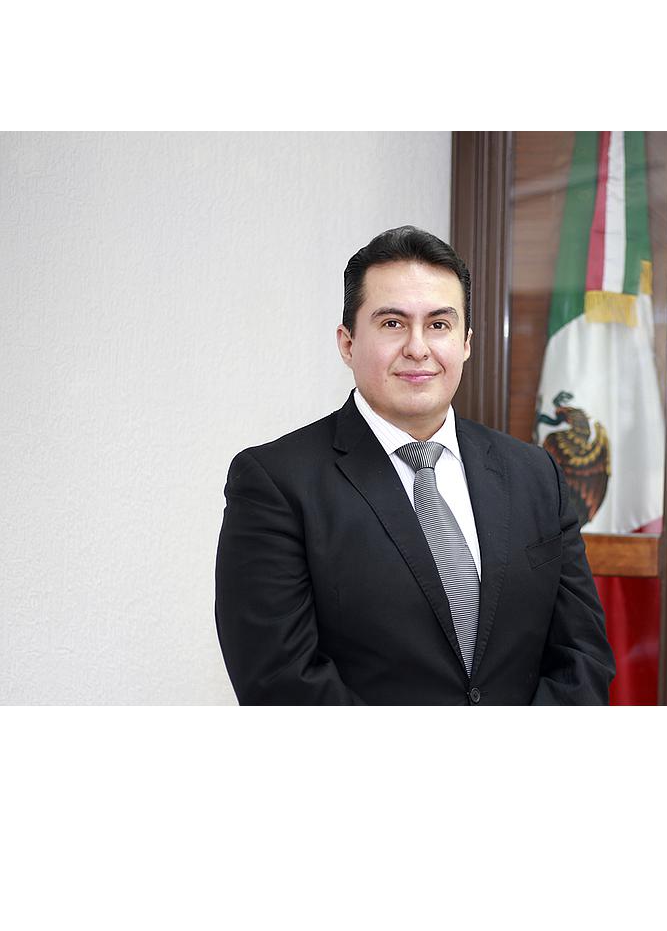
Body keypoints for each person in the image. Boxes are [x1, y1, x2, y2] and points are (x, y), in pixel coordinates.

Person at [215, 225, 615, 705]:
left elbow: (582, 656)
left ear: (465, 343)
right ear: (347, 343)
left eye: (439, 325)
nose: (418, 348)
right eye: (392, 323)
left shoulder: (535, 474)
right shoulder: (276, 483)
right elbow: (280, 682)